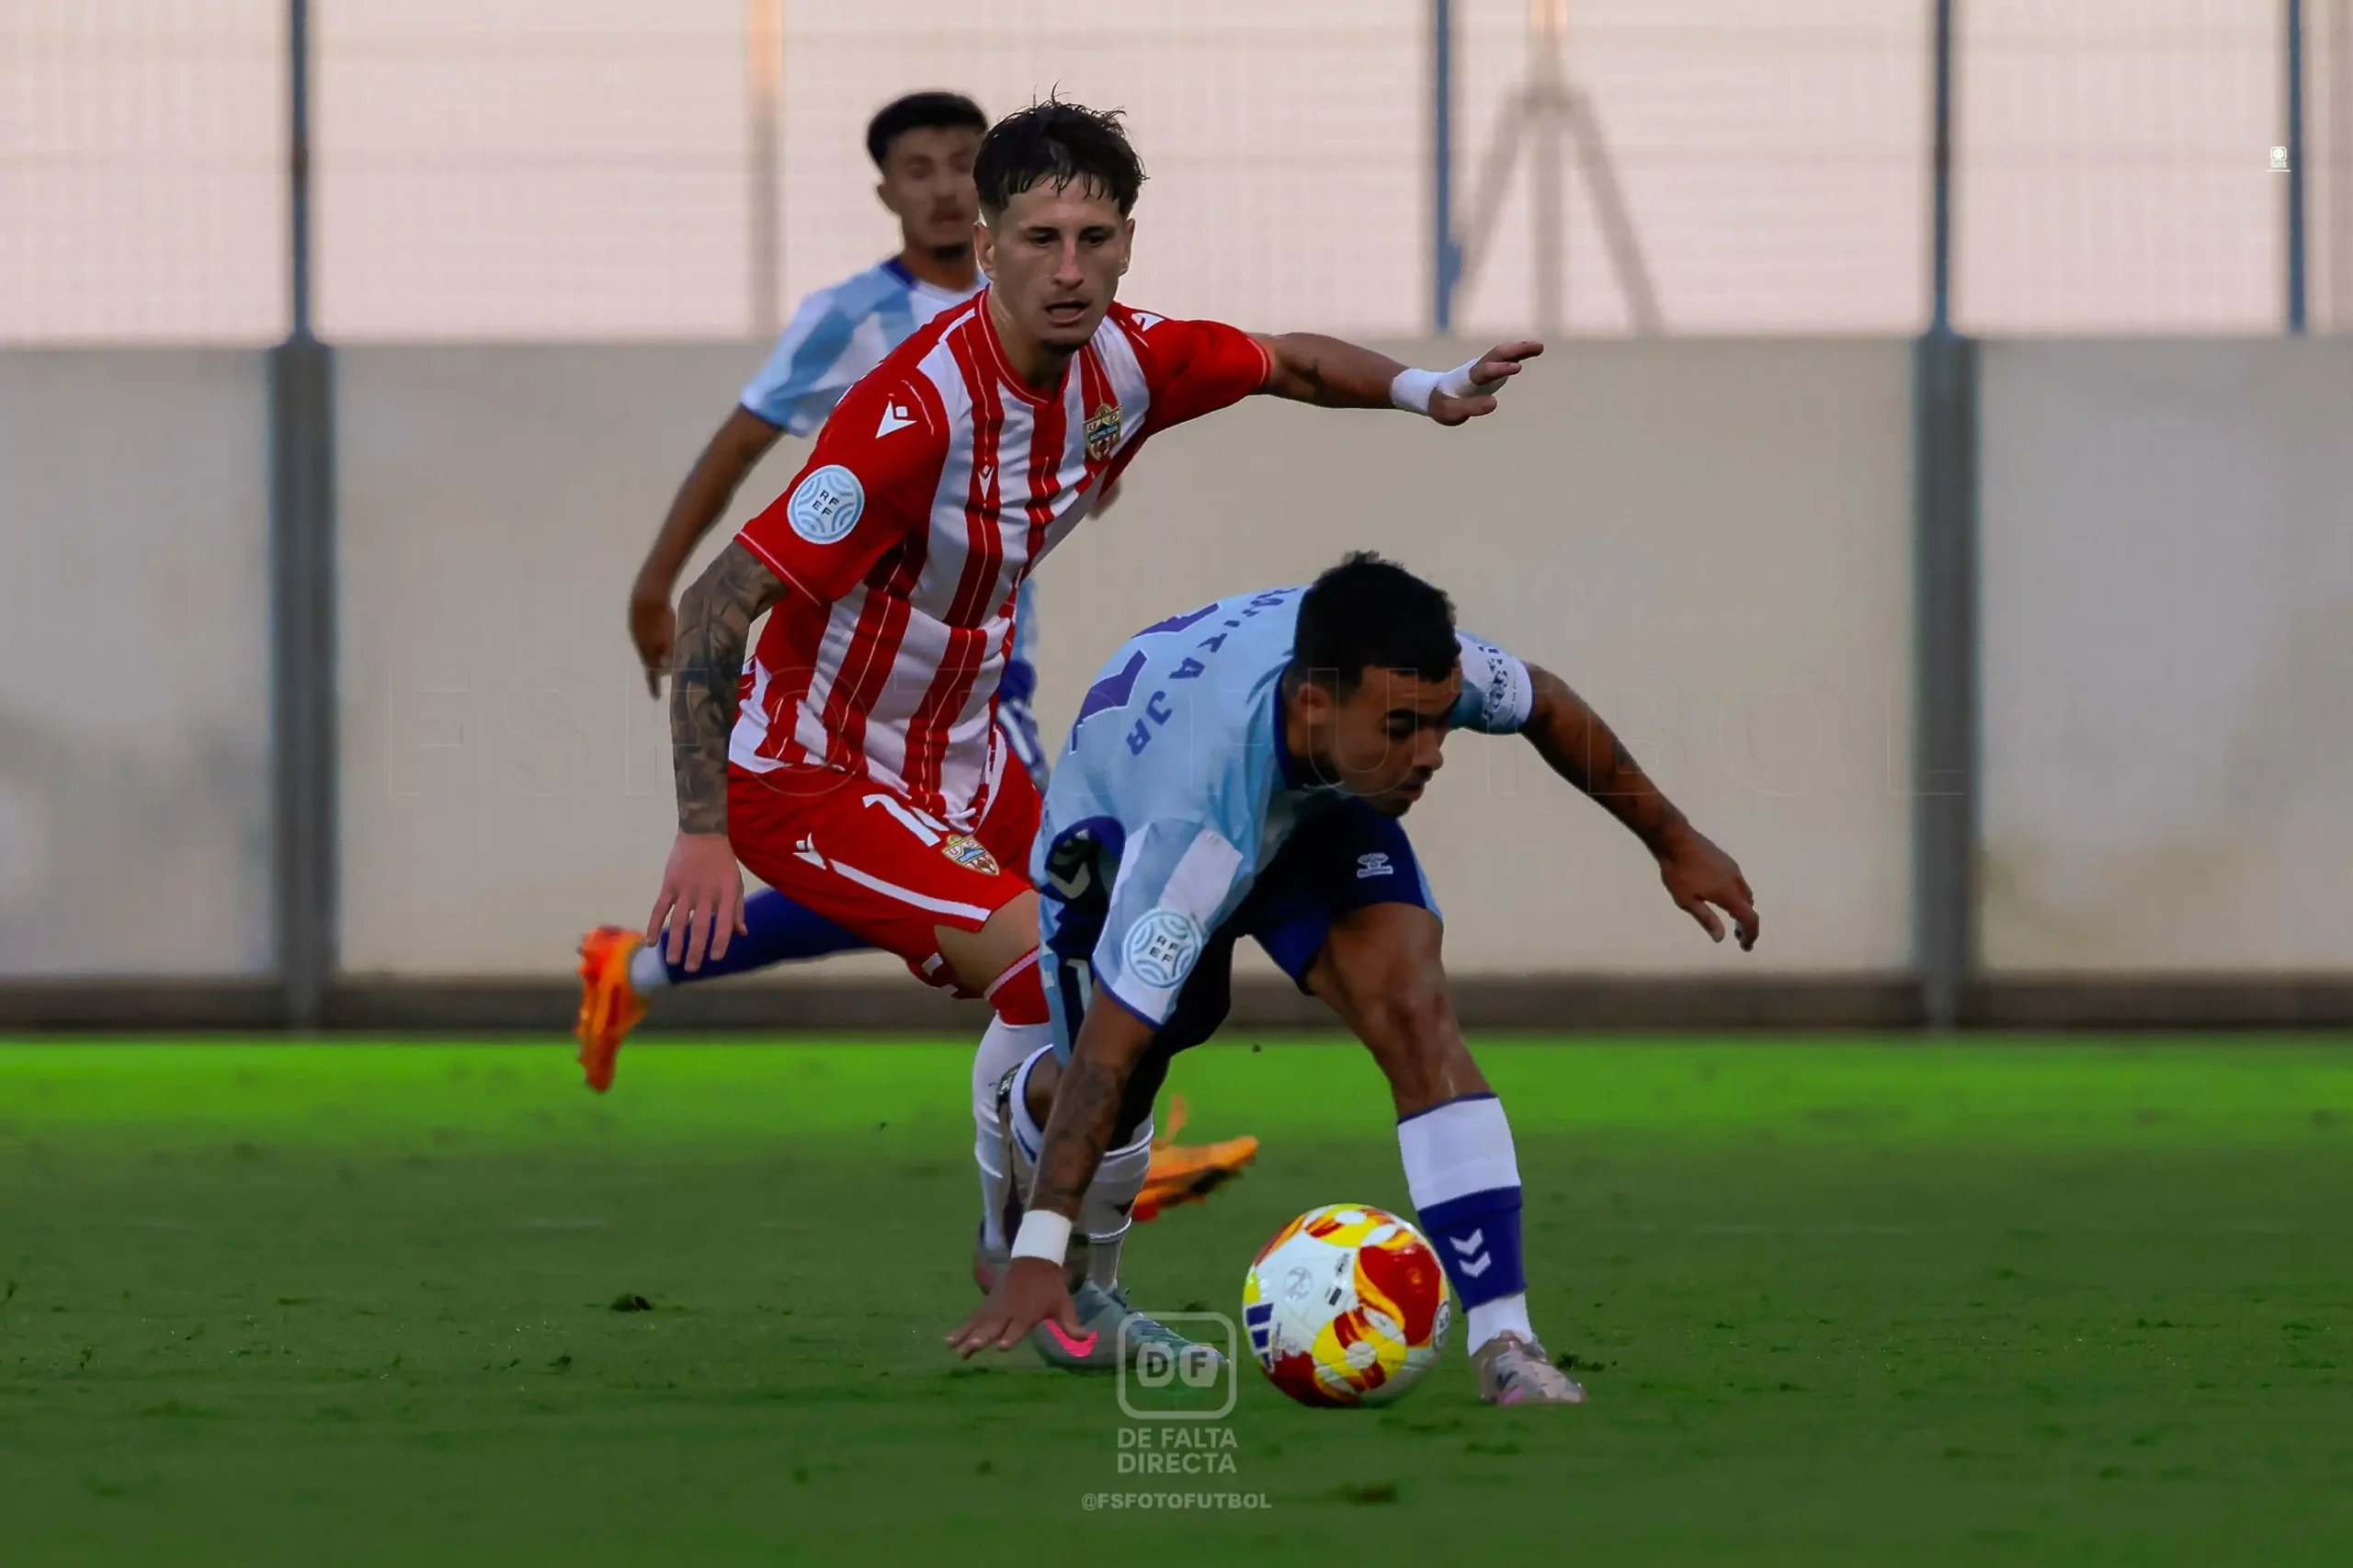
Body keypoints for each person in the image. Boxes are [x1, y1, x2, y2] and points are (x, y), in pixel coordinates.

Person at [647, 98, 1543, 1368]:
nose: (1069, 269)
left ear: (1126, 244)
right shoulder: (912, 414)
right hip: (816, 765)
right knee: (1047, 975)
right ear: (990, 244)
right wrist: (701, 833)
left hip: (977, 748)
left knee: (1120, 992)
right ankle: (1034, 1255)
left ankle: (1061, 1268)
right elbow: (715, 603)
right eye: (1040, 238)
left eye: (1095, 237)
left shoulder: (1132, 359)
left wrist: (1426, 390)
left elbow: (1285, 360)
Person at [947, 554, 1760, 1405]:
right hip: (1117, 841)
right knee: (1133, 1062)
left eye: (1442, 724)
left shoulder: (1393, 662)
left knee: (1413, 1007)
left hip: (1315, 800)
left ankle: (1506, 1341)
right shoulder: (1193, 829)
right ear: (1313, 702)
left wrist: (1674, 841)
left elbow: (1544, 699)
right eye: (1405, 728)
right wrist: (1041, 1247)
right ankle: (1064, 1250)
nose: (1433, 754)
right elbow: (1110, 1054)